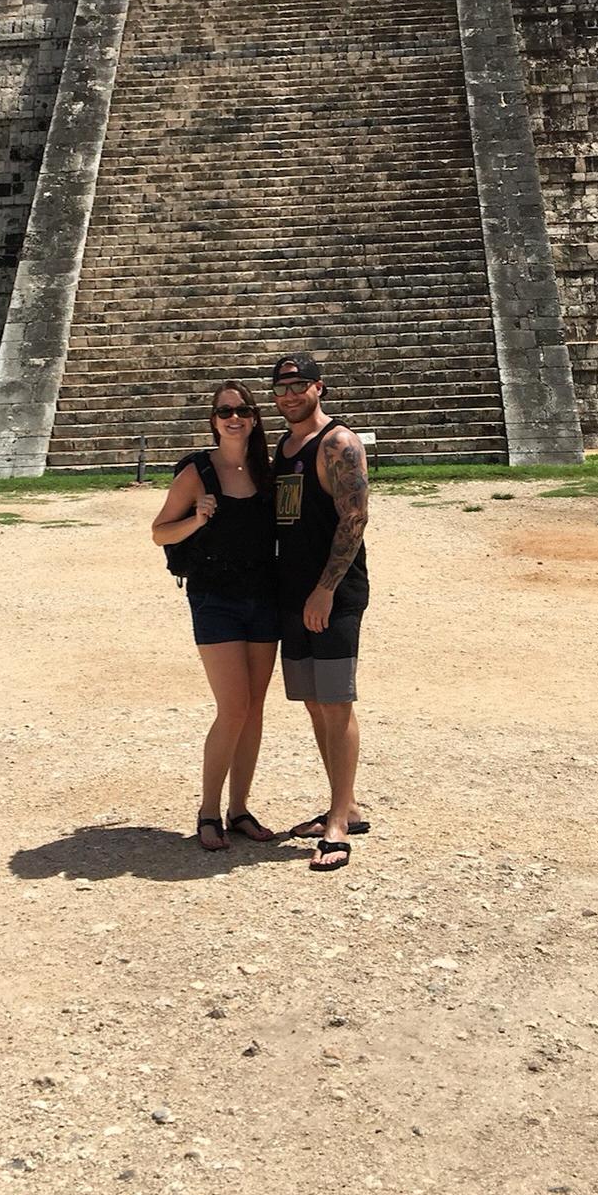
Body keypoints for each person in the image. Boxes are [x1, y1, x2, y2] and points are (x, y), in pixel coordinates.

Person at [151, 381, 279, 853]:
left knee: (254, 711)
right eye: (225, 410)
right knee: (234, 708)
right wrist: (197, 519)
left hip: (264, 597)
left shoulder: (269, 469)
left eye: (243, 409)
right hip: (215, 600)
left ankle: (239, 808)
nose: (234, 417)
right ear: (214, 418)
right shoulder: (197, 471)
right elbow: (159, 533)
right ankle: (208, 810)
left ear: (253, 417)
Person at [271, 354, 370, 874]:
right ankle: (346, 802)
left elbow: (354, 518)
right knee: (312, 700)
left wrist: (325, 590)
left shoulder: (338, 443)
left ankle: (337, 823)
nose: (289, 394)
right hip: (293, 592)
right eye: (281, 387)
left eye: (297, 384)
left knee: (336, 701)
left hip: (331, 594)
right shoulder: (284, 448)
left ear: (318, 387)